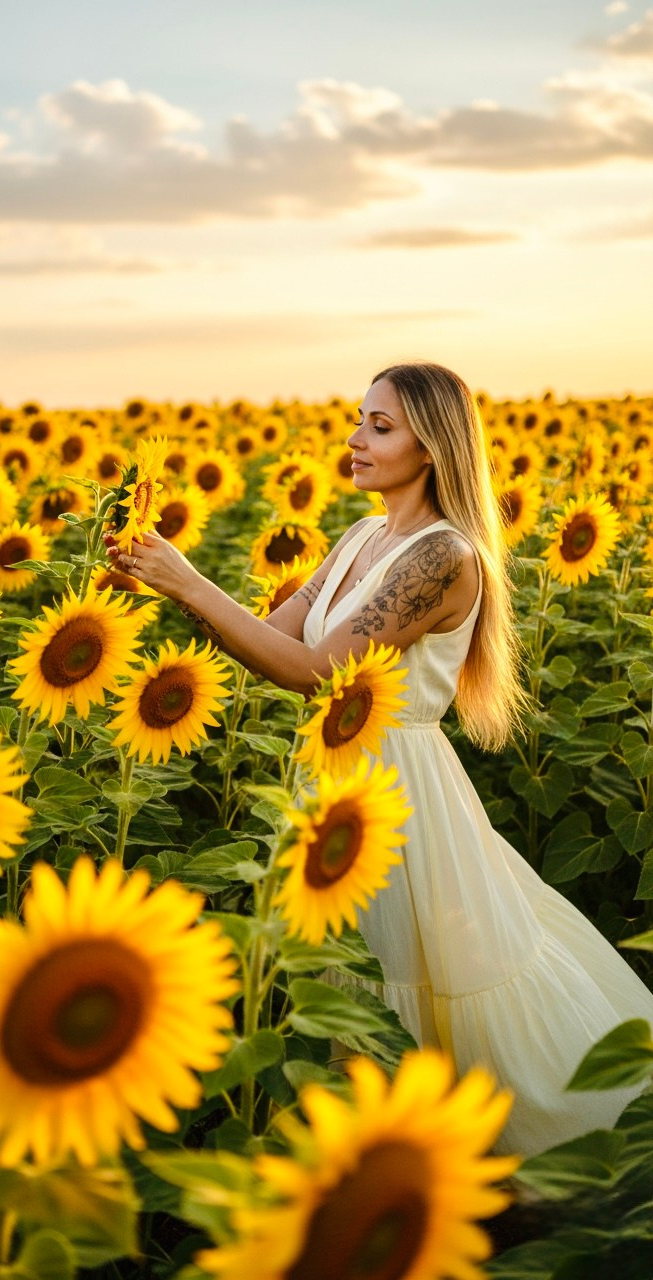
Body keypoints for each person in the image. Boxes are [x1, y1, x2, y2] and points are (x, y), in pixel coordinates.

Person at [105, 361, 653, 1157]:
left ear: (430, 447)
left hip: (396, 790)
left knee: (398, 970)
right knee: (337, 976)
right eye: (360, 419)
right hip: (332, 773)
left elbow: (317, 671)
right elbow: (273, 639)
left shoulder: (444, 557)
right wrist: (163, 576)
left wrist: (190, 584)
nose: (355, 438)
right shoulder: (362, 537)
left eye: (379, 426)